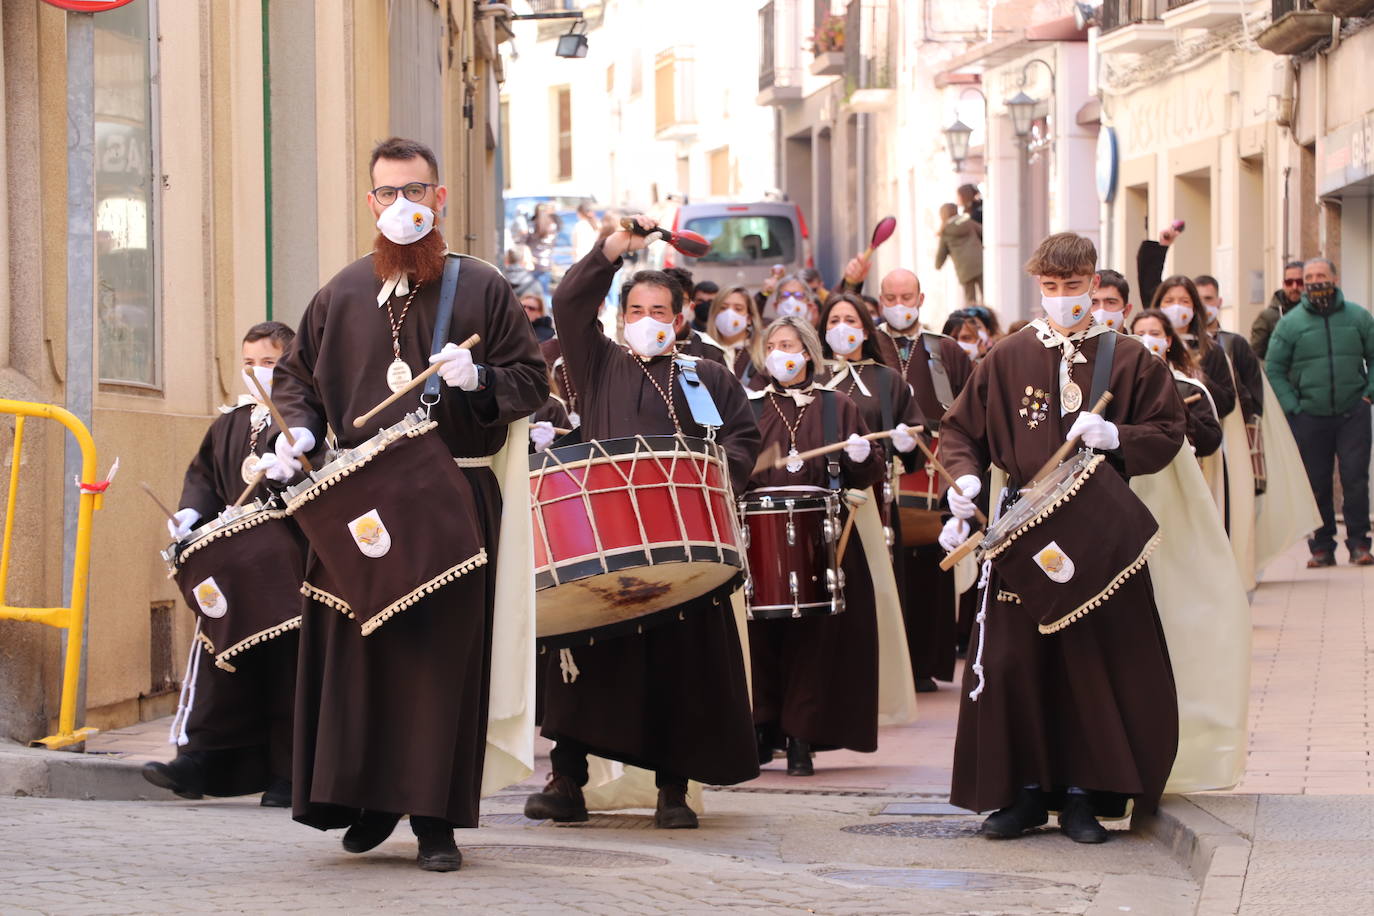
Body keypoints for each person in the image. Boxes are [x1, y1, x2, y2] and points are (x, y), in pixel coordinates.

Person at [269, 137, 548, 872]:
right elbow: (298, 377)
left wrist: (479, 378)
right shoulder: (340, 292)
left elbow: (531, 382)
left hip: (450, 494)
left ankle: (434, 821)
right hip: (358, 499)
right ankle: (364, 799)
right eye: (388, 194)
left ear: (440, 198)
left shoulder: (482, 286)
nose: (402, 207)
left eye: (415, 192)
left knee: (437, 664)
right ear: (370, 203)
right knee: (357, 654)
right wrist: (296, 428)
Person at [940, 231, 1184, 843]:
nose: (1063, 298)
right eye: (1050, 288)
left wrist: (1118, 438)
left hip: (1099, 529)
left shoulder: (1127, 357)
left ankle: (1084, 796)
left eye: (1074, 287)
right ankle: (1021, 795)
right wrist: (964, 481)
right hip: (1024, 524)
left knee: (1093, 662)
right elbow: (959, 431)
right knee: (1016, 660)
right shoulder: (1006, 356)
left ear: (1094, 283)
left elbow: (1169, 428)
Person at [526, 216, 762, 829]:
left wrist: (722, 472)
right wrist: (612, 248)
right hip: (608, 544)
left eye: (661, 309)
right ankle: (566, 781)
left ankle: (672, 790)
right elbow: (568, 302)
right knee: (585, 658)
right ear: (621, 315)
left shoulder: (705, 374)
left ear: (680, 318)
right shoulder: (597, 363)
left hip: (687, 548)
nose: (649, 319)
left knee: (678, 669)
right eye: (637, 308)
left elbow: (741, 436)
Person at [145, 321, 301, 809]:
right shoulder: (230, 422)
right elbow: (206, 476)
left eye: (270, 363)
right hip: (234, 572)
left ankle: (289, 775)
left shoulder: (306, 416)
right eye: (249, 363)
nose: (257, 373)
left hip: (288, 570)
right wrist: (192, 510)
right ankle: (200, 762)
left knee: (288, 671)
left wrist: (297, 464)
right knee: (220, 661)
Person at [746, 316, 893, 775]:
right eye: (773, 345)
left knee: (814, 639)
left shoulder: (838, 406)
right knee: (761, 636)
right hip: (758, 534)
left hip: (823, 535)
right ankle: (760, 729)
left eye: (789, 345)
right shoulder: (748, 406)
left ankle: (801, 738)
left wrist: (864, 458)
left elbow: (867, 476)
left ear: (808, 353)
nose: (780, 353)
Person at [871, 267, 975, 692]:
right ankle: (885, 661)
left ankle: (925, 662)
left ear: (920, 298)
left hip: (933, 469)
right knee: (885, 566)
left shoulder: (946, 350)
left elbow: (970, 408)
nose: (899, 305)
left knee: (931, 566)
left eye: (906, 296)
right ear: (880, 301)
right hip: (880, 464)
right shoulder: (868, 344)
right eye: (890, 297)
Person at [1265, 257, 1374, 567]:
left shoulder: (1359, 317)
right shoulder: (1291, 323)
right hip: (1309, 415)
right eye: (1309, 276)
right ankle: (1322, 547)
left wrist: (1368, 395)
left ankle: (1359, 545)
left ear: (1335, 279)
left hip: (1353, 411)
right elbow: (1273, 368)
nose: (1315, 281)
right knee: (1316, 482)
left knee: (1355, 479)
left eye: (1321, 275)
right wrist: (1293, 407)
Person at [1129, 310, 1223, 459]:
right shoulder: (1122, 385)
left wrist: (1180, 412)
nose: (1146, 340)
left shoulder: (1189, 388)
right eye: (1140, 335)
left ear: (1168, 341)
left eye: (1154, 333)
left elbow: (1211, 441)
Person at [1194, 276, 1264, 428]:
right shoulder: (1181, 344)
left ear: (1219, 302)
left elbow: (1254, 391)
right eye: (1198, 299)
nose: (1203, 305)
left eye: (1208, 298)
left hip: (1234, 428)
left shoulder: (1235, 344)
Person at [705, 285, 764, 382]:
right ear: (714, 314)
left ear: (749, 318)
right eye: (723, 308)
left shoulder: (762, 352)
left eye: (738, 309)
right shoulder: (702, 351)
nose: (729, 314)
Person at [1251, 261, 1306, 359]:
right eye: (1289, 282)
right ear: (1283, 284)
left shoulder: (1315, 313)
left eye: (1299, 282)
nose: (1294, 287)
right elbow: (1255, 357)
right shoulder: (1267, 317)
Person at [935, 202, 984, 305]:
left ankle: (974, 319)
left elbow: (942, 252)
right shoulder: (967, 221)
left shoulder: (945, 230)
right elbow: (983, 231)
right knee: (986, 294)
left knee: (970, 299)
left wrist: (937, 265)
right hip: (979, 262)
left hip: (964, 268)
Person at [523, 202, 561, 298]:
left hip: (533, 264)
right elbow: (553, 244)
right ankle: (545, 311)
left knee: (531, 294)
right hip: (545, 263)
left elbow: (524, 242)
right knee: (544, 294)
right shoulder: (552, 226)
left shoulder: (532, 225)